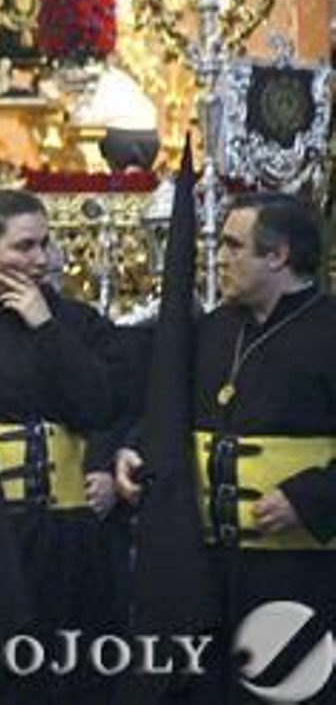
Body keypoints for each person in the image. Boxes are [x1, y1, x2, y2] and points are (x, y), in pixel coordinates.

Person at [116, 194, 336, 700]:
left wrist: (313, 498)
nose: (219, 258)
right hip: (207, 573)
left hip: (300, 573)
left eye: (234, 246)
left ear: (277, 256)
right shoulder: (214, 330)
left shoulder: (328, 329)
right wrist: (138, 448)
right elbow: (170, 410)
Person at [0, 184, 120, 701]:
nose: (39, 259)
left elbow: (100, 406)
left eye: (44, 245)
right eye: (23, 246)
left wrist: (45, 326)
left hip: (70, 537)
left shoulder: (75, 322)